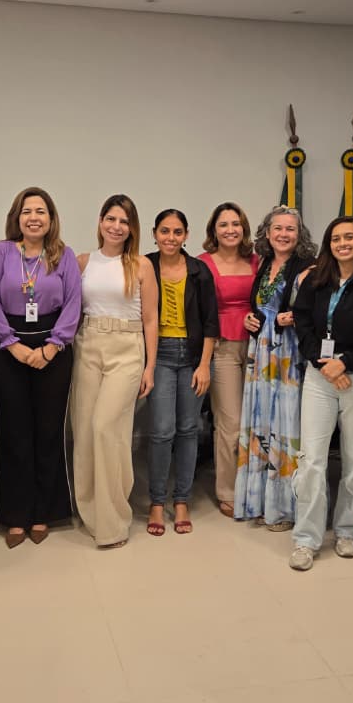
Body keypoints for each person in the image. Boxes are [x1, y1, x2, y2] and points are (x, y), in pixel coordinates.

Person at [288, 216, 353, 571]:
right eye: (335, 238)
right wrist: (325, 365)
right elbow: (302, 325)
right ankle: (306, 539)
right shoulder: (315, 281)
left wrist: (344, 364)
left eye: (349, 237)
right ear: (328, 244)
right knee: (312, 460)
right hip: (320, 378)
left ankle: (347, 530)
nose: (342, 243)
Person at [0, 187, 81, 547]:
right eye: (27, 211)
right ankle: (15, 513)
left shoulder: (64, 255)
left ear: (51, 219)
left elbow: (74, 303)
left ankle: (43, 511)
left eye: (41, 211)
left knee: (48, 431)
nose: (34, 217)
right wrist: (13, 345)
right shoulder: (1, 252)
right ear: (17, 218)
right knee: (15, 433)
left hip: (54, 349)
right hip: (9, 348)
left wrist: (52, 347)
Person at [71, 194, 158, 549]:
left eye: (124, 221)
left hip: (126, 348)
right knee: (85, 432)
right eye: (111, 219)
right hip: (88, 345)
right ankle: (89, 511)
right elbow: (71, 311)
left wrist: (150, 366)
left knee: (107, 428)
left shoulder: (141, 265)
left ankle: (113, 520)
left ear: (132, 228)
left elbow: (150, 319)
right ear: (100, 221)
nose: (116, 226)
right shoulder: (82, 262)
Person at [235, 205, 316, 528]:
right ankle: (257, 501)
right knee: (260, 424)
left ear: (299, 235)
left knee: (286, 425)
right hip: (261, 354)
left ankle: (284, 508)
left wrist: (296, 316)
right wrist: (249, 318)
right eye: (277, 228)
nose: (283, 234)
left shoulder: (309, 267)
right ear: (267, 234)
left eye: (290, 229)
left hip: (289, 356)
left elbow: (319, 309)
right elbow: (259, 305)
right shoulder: (264, 264)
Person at [145, 209, 219, 536]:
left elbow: (210, 322)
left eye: (177, 232)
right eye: (165, 231)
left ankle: (181, 500)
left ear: (186, 235)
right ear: (154, 234)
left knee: (188, 429)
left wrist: (204, 365)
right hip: (158, 354)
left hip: (191, 357)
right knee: (162, 431)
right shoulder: (145, 266)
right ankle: (156, 501)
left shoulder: (199, 270)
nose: (171, 238)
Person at [200, 202, 259, 517]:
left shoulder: (257, 261)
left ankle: (256, 486)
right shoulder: (203, 264)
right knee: (230, 422)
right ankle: (228, 490)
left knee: (256, 420)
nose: (230, 230)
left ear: (244, 228)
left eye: (236, 224)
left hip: (257, 347)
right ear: (214, 230)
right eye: (223, 224)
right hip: (222, 347)